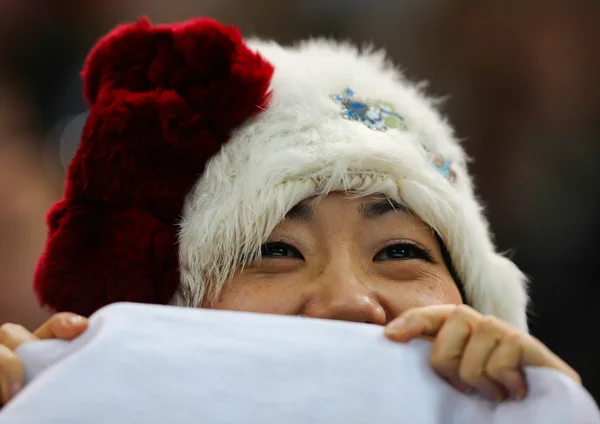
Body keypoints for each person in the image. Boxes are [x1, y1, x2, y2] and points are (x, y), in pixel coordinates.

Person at [0, 17, 580, 407]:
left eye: (401, 251)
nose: (351, 301)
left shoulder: (528, 407)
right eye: (274, 250)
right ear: (164, 316)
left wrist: (546, 410)